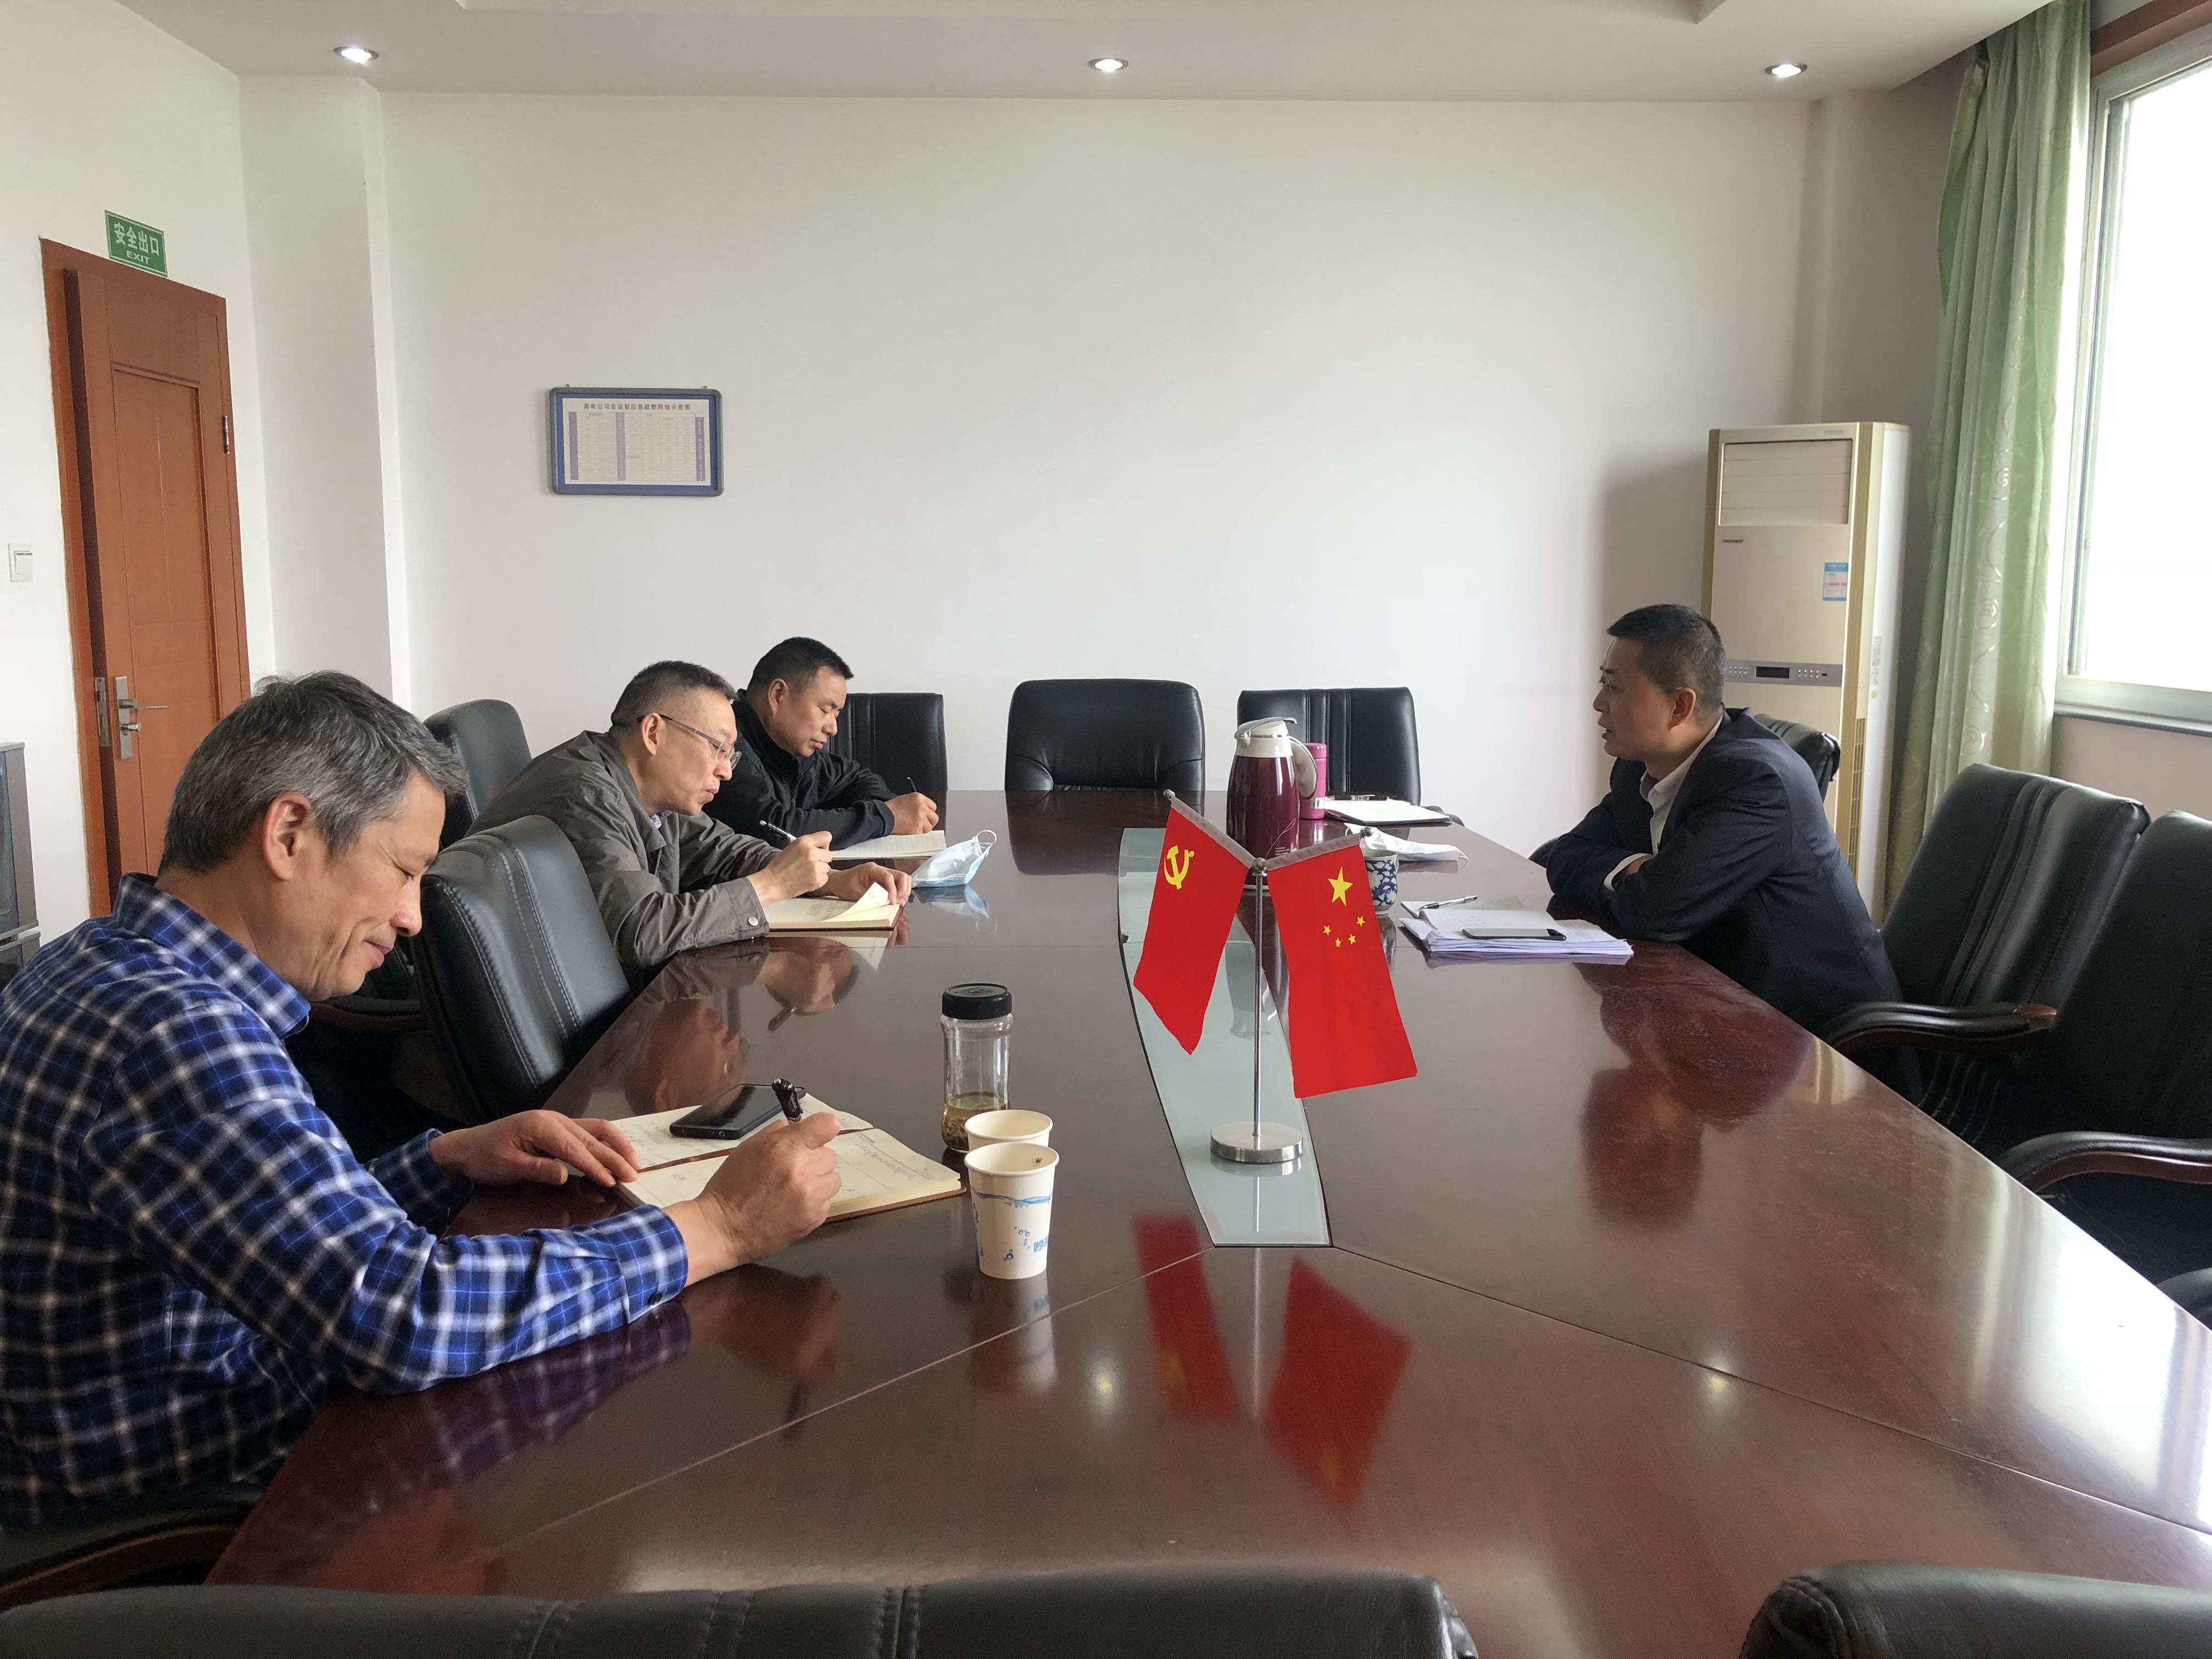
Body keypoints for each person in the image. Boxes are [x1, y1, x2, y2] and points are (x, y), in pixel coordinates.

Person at [0, 672, 844, 1522]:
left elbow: (267, 1223)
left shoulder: (100, 958)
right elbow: (402, 1315)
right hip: (192, 1494)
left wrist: (444, 1160)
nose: (412, 917)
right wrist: (718, 1227)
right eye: (404, 871)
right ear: (289, 834)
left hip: (223, 1375)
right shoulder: (176, 1035)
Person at [1537, 604, 1903, 1046]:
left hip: (1823, 1046)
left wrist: (1646, 882)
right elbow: (1564, 856)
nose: (1599, 703)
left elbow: (1654, 911)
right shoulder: (1638, 767)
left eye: (1613, 687)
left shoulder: (1755, 782)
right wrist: (1638, 870)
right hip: (1717, 1010)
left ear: (1679, 706)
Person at [473, 660, 912, 980]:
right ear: (654, 733)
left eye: (730, 755)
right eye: (717, 748)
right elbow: (642, 933)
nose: (726, 771)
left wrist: (831, 881)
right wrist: (773, 885)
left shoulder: (650, 792)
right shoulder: (586, 796)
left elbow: (723, 849)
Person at [703, 637, 939, 848]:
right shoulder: (724, 747)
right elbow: (776, 830)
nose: (833, 729)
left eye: (837, 715)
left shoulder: (789, 750)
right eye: (825, 710)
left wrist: (895, 809)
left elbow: (857, 778)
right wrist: (885, 817)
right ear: (778, 695)